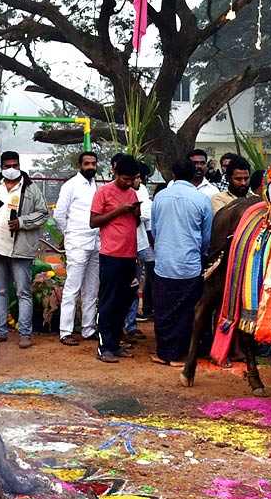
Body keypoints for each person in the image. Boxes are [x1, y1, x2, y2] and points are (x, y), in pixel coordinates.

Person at [149, 159, 214, 366]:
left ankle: (163, 353)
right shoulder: (202, 199)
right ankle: (179, 355)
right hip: (190, 264)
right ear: (193, 175)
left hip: (164, 263)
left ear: (173, 175)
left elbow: (155, 230)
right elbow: (206, 237)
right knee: (186, 311)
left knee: (163, 310)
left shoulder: (159, 197)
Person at [0, 152, 49, 349]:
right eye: (7, 165)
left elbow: (43, 213)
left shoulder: (30, 187)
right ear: (2, 166)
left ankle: (25, 334)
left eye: (15, 165)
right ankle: (1, 331)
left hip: (20, 248)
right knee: (1, 291)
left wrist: (22, 222)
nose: (11, 169)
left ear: (19, 165)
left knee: (23, 292)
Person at [91, 154, 143, 363]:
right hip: (111, 254)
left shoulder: (132, 193)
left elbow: (135, 224)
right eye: (125, 179)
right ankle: (104, 347)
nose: (129, 183)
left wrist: (135, 213)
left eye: (132, 179)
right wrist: (118, 211)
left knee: (125, 300)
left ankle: (115, 343)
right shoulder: (103, 192)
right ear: (115, 173)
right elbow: (93, 221)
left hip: (130, 255)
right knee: (108, 301)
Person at [54, 152, 101, 346]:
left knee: (91, 289)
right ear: (79, 165)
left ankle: (88, 328)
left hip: (96, 242)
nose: (90, 167)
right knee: (72, 288)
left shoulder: (96, 185)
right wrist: (69, 234)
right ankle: (65, 331)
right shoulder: (71, 185)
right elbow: (58, 215)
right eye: (87, 163)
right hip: (77, 243)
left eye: (93, 163)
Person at [125, 161, 155, 339]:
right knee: (120, 288)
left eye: (138, 177)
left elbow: (145, 214)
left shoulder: (141, 190)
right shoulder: (115, 191)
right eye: (135, 177)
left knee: (134, 288)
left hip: (140, 244)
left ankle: (130, 325)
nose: (137, 180)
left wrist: (126, 213)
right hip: (120, 247)